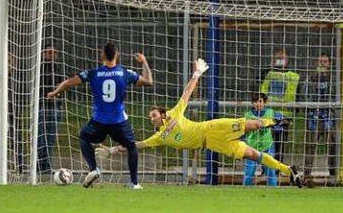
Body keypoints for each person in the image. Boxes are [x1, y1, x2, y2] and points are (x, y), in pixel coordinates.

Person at [98, 59, 304, 188]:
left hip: (212, 128)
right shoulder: (159, 137)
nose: (151, 119)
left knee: (255, 125)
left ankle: (275, 119)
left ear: (162, 114)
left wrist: (196, 74)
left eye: (153, 115)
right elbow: (136, 145)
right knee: (253, 155)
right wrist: (113, 150)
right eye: (150, 117)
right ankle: (289, 171)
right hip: (213, 144)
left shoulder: (174, 112)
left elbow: (186, 93)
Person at [47, 43, 153, 188]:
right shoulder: (125, 73)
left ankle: (94, 169)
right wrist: (144, 62)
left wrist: (55, 92)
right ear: (117, 55)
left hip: (99, 121)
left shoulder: (93, 73)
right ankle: (134, 183)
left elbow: (68, 83)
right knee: (131, 147)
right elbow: (148, 81)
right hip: (119, 121)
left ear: (102, 55)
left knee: (84, 138)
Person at [258, 48, 299, 162]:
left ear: (288, 60)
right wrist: (270, 65)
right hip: (268, 115)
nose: (280, 60)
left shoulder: (293, 75)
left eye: (283, 58)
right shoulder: (268, 73)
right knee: (266, 142)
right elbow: (258, 79)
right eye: (278, 58)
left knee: (280, 144)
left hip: (283, 115)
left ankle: (278, 167)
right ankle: (265, 167)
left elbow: (293, 95)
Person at [303, 52, 338, 183]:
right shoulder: (310, 77)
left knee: (333, 144)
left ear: (329, 64)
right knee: (310, 144)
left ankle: (333, 172)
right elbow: (304, 92)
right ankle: (307, 173)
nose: (322, 64)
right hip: (314, 115)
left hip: (329, 115)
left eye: (325, 61)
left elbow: (337, 94)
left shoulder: (333, 79)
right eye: (320, 61)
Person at [37, 44, 66, 173]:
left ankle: (47, 165)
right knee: (40, 138)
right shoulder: (40, 69)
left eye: (54, 53)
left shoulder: (59, 69)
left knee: (51, 138)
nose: (52, 55)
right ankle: (39, 165)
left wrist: (58, 95)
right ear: (44, 54)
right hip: (42, 106)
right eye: (49, 52)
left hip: (55, 107)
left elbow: (63, 87)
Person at [243, 93, 278, 186]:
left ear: (264, 102)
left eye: (260, 101)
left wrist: (281, 122)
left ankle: (273, 191)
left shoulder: (271, 112)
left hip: (267, 146)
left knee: (271, 170)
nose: (257, 104)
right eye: (255, 102)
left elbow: (278, 122)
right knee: (249, 172)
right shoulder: (247, 115)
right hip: (252, 147)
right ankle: (244, 192)